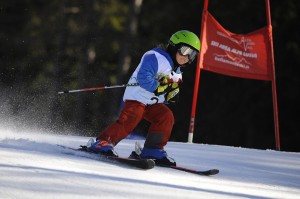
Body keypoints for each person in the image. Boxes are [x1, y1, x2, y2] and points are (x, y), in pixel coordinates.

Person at [89, 30, 200, 166]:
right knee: (132, 117)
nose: (187, 57)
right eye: (185, 50)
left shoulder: (178, 74)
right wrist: (160, 87)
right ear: (174, 46)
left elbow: (166, 92)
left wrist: (170, 95)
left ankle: (153, 149)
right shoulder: (156, 57)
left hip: (151, 103)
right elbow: (144, 78)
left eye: (192, 54)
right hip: (137, 97)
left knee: (166, 117)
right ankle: (103, 142)